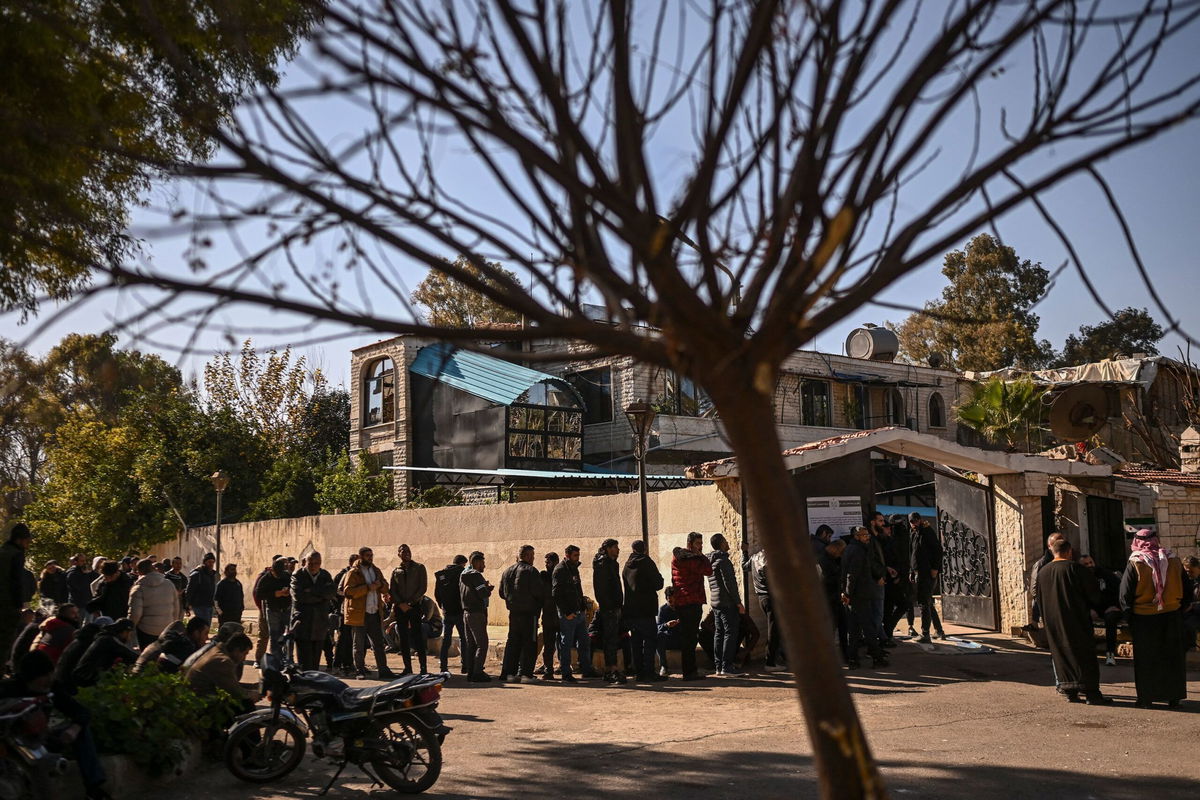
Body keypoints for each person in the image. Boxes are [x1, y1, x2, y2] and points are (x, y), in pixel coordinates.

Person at [0, 649, 110, 799]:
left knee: (82, 731)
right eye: (44, 676)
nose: (49, 679)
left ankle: (94, 788)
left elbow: (81, 711)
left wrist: (74, 728)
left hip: (42, 738)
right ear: (30, 677)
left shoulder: (52, 688)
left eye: (50, 674)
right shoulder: (8, 689)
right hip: (14, 745)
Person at [1037, 537, 1111, 705]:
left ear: (1053, 552)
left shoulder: (1043, 572)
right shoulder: (1076, 569)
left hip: (1054, 621)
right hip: (1077, 618)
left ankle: (1069, 691)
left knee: (1061, 653)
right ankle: (1091, 693)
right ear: (1069, 552)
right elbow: (1093, 594)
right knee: (1084, 654)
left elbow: (1039, 598)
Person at [1119, 529, 1187, 707]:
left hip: (1144, 619)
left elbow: (1125, 594)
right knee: (1172, 657)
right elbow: (1186, 590)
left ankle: (1146, 698)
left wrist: (1129, 618)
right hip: (1171, 616)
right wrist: (1179, 609)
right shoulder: (1174, 560)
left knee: (1147, 660)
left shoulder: (1136, 562)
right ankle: (1174, 697)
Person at [343, 546, 395, 680]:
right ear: (360, 557)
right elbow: (348, 592)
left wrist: (379, 586)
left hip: (374, 612)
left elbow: (385, 586)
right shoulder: (354, 573)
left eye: (371, 555)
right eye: (367, 555)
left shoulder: (376, 570)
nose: (370, 558)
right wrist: (367, 588)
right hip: (359, 614)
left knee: (378, 644)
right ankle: (359, 670)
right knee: (358, 645)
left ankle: (383, 670)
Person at [843, 526, 888, 669]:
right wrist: (848, 593)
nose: (867, 537)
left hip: (855, 595)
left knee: (854, 630)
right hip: (859, 595)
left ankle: (853, 659)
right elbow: (852, 574)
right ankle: (876, 658)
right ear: (856, 536)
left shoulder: (851, 549)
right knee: (867, 629)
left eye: (867, 535)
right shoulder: (858, 551)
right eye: (864, 535)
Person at [498, 545, 544, 682]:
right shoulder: (531, 571)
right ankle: (526, 674)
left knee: (513, 642)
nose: (534, 558)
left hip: (513, 613)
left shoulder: (507, 571)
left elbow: (502, 593)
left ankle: (509, 673)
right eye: (533, 555)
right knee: (529, 643)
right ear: (528, 556)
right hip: (529, 614)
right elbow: (539, 593)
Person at [671, 531, 713, 680]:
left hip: (683, 601)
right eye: (698, 543)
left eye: (701, 543)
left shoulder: (679, 557)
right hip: (691, 600)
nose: (700, 547)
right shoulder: (692, 560)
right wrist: (701, 556)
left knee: (688, 638)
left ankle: (689, 671)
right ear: (690, 544)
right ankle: (689, 672)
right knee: (690, 638)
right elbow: (708, 570)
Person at [623, 540, 664, 682]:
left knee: (636, 642)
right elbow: (658, 583)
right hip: (646, 609)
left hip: (631, 610)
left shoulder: (627, 565)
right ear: (645, 549)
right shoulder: (647, 562)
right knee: (650, 641)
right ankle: (649, 672)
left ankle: (639, 673)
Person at [553, 545, 595, 683]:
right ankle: (566, 673)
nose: (578, 558)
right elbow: (556, 594)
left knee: (584, 641)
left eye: (578, 555)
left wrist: (582, 607)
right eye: (575, 555)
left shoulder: (574, 569)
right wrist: (566, 613)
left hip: (578, 612)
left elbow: (578, 589)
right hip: (568, 614)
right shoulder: (560, 570)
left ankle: (586, 670)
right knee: (566, 643)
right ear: (568, 555)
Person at [186, 632, 258, 713]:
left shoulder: (216, 651)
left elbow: (229, 683)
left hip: (196, 697)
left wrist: (252, 687)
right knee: (246, 705)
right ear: (236, 650)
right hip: (200, 704)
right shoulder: (223, 661)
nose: (244, 658)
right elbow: (235, 693)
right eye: (244, 654)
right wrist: (251, 694)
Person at [707, 533, 745, 677]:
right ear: (721, 543)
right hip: (727, 603)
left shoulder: (711, 561)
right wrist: (738, 603)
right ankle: (726, 667)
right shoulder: (723, 561)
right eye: (725, 541)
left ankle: (719, 666)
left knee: (719, 633)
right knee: (730, 633)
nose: (728, 543)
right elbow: (730, 584)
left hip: (716, 602)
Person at [292, 551, 336, 671]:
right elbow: (299, 596)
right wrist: (321, 595)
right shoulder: (298, 575)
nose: (313, 566)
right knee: (304, 663)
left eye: (316, 563)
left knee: (315, 663)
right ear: (305, 562)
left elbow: (331, 593)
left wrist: (311, 590)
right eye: (310, 563)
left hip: (320, 623)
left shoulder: (325, 575)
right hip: (303, 623)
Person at [389, 544, 429, 675]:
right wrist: (400, 604)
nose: (406, 553)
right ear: (398, 554)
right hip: (401, 609)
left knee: (418, 638)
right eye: (403, 551)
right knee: (403, 639)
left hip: (415, 607)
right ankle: (407, 668)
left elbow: (422, 588)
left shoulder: (419, 568)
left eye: (408, 551)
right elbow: (392, 590)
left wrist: (410, 603)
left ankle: (423, 668)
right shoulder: (396, 571)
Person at [1078, 554, 1123, 666]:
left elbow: (1120, 591)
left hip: (1111, 608)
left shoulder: (1106, 575)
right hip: (1095, 609)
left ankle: (1110, 653)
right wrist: (1089, 609)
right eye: (1086, 564)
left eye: (1090, 562)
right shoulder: (1080, 578)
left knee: (1111, 618)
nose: (1089, 566)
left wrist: (1115, 606)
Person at [591, 539, 625, 684]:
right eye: (615, 547)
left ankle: (612, 669)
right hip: (609, 608)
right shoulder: (603, 564)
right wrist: (609, 605)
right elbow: (601, 589)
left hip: (615, 607)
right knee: (610, 640)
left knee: (613, 639)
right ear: (608, 549)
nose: (618, 550)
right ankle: (611, 670)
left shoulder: (611, 563)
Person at [0, 523, 33, 669]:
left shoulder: (3, 551)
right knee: (5, 642)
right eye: (27, 541)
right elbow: (16, 582)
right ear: (19, 540)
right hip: (7, 606)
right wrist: (19, 605)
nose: (28, 545)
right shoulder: (16, 554)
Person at [129, 557, 181, 649]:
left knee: (147, 657)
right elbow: (176, 608)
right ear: (153, 568)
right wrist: (172, 624)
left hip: (146, 630)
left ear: (139, 572)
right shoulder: (169, 584)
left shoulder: (138, 588)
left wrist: (130, 629)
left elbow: (135, 613)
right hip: (166, 627)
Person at [909, 513, 945, 642]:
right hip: (918, 572)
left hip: (927, 572)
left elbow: (938, 551)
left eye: (916, 520)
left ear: (920, 520)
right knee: (927, 601)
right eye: (912, 521)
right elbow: (912, 553)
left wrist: (935, 568)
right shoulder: (913, 533)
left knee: (924, 603)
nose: (914, 523)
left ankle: (925, 633)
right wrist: (912, 571)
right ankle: (939, 630)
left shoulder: (927, 532)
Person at [72, 618, 138, 689]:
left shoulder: (104, 637)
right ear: (125, 632)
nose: (130, 637)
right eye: (130, 633)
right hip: (87, 679)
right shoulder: (110, 640)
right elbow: (130, 655)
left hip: (82, 676)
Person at [459, 551, 494, 682]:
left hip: (466, 613)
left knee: (471, 644)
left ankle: (471, 672)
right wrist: (487, 589)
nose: (484, 566)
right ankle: (478, 672)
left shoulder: (463, 576)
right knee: (482, 644)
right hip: (476, 613)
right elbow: (482, 593)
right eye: (483, 563)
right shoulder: (476, 575)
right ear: (477, 562)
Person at [133, 617, 210, 675]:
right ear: (196, 633)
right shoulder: (183, 647)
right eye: (205, 633)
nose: (207, 638)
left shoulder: (174, 640)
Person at [883, 514, 916, 640]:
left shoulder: (891, 540)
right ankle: (890, 630)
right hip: (899, 575)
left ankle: (888, 631)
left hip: (896, 576)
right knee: (905, 603)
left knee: (894, 605)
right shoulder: (905, 536)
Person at [750, 548, 783, 668]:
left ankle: (774, 658)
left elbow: (744, 566)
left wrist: (744, 553)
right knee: (773, 631)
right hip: (770, 597)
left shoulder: (754, 557)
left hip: (762, 598)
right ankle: (770, 662)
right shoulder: (768, 559)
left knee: (774, 629)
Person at [433, 554, 467, 674]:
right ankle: (465, 665)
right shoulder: (462, 573)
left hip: (447, 612)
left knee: (446, 640)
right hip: (459, 611)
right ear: (463, 563)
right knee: (464, 638)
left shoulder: (442, 574)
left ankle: (443, 666)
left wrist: (443, 606)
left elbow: (437, 594)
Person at [256, 558, 293, 665]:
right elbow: (258, 594)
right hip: (272, 610)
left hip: (285, 609)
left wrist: (287, 592)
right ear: (272, 570)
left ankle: (288, 658)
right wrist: (274, 594)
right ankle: (276, 659)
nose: (278, 576)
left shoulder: (286, 576)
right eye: (277, 574)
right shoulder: (265, 579)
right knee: (274, 635)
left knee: (287, 636)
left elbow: (294, 587)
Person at [817, 539, 849, 662]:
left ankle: (844, 654)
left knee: (842, 626)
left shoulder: (829, 558)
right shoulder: (823, 560)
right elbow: (827, 579)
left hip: (835, 598)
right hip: (829, 599)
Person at [1026, 533, 1065, 632]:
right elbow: (1034, 589)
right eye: (1056, 543)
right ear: (1049, 546)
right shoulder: (1041, 564)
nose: (1060, 545)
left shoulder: (1069, 559)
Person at [332, 554, 359, 675]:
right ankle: (337, 664)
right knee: (343, 638)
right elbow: (337, 591)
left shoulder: (359, 574)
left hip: (355, 611)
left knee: (352, 639)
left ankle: (349, 664)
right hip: (344, 611)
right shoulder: (343, 574)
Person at [867, 512, 891, 645]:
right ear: (873, 522)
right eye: (880, 521)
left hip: (879, 576)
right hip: (875, 580)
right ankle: (875, 642)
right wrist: (878, 576)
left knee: (877, 612)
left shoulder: (877, 538)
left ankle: (881, 637)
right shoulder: (870, 539)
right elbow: (870, 561)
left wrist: (886, 569)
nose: (883, 523)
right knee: (877, 612)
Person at [535, 552, 560, 679]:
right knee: (549, 645)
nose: (546, 565)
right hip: (549, 615)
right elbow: (539, 598)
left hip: (560, 615)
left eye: (548, 562)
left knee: (561, 644)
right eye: (546, 563)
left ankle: (562, 668)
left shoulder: (561, 574)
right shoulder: (543, 577)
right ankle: (548, 670)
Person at [185, 553, 218, 626]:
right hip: (199, 605)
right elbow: (190, 590)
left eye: (212, 562)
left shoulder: (212, 574)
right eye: (209, 562)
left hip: (209, 605)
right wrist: (187, 605)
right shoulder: (197, 574)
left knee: (207, 626)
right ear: (205, 562)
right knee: (203, 625)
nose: (211, 564)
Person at [656, 586, 682, 676]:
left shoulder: (682, 608)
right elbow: (658, 627)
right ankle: (664, 666)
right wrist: (667, 625)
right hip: (669, 638)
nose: (671, 602)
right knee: (659, 636)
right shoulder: (663, 609)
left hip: (681, 638)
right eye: (669, 600)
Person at [214, 563, 244, 627]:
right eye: (232, 569)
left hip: (236, 614)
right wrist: (220, 612)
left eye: (234, 570)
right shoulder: (221, 584)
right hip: (225, 615)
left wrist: (241, 609)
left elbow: (241, 597)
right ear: (226, 572)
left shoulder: (238, 584)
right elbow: (216, 599)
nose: (234, 572)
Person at [1183, 556, 1200, 650]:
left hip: (1196, 613)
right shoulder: (1187, 581)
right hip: (1190, 613)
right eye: (1187, 571)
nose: (1189, 574)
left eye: (1191, 571)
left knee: (1188, 625)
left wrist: (1193, 606)